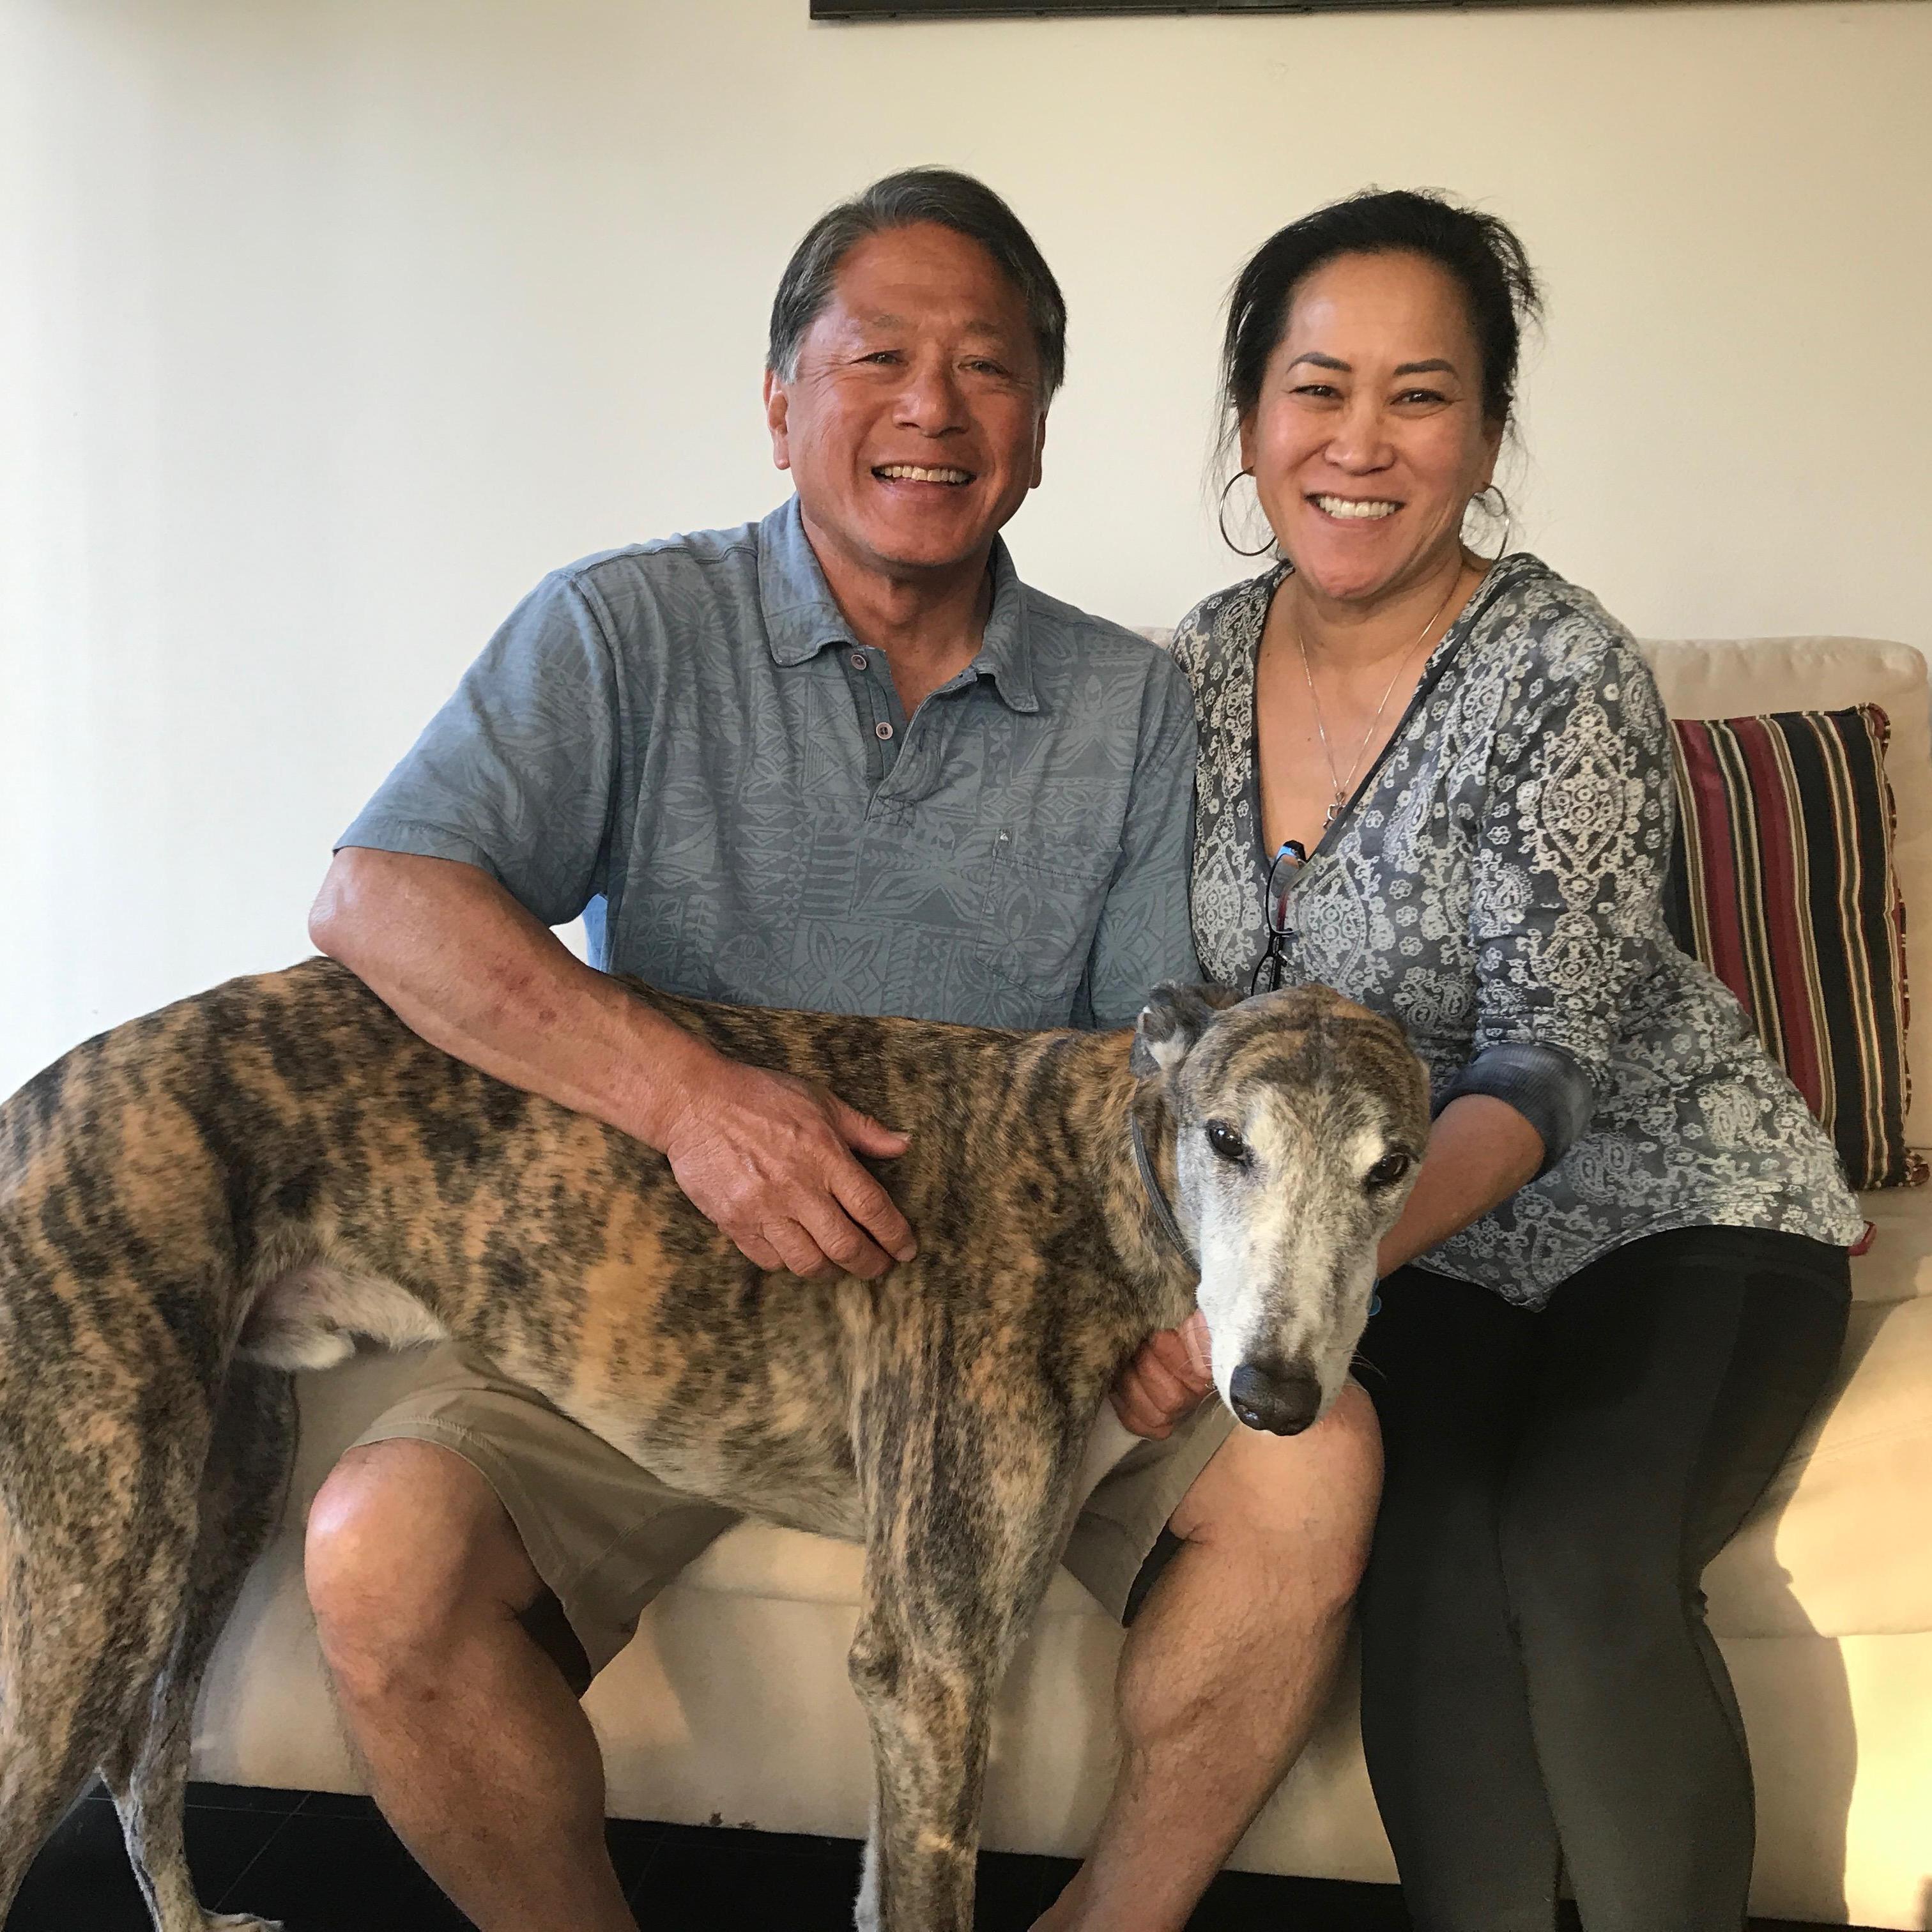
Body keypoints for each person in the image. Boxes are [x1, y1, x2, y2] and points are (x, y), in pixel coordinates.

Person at [303, 167, 1380, 1932]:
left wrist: (1179, 1317)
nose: (933, 409)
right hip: (666, 1299)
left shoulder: (1131, 705)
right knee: (378, 1551)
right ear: (779, 398)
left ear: (1039, 429)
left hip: (1017, 1322)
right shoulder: (623, 630)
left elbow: (1155, 1071)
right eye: (879, 356)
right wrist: (688, 1101)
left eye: (988, 367)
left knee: (1318, 1469)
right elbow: (380, 899)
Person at [1163, 187, 1863, 1931]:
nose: (1361, 443)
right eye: (1318, 388)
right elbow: (1172, 1025)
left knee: (1577, 1547)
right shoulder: (1195, 670)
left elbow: (1546, 1067)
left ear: (1485, 440)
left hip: (1676, 1211)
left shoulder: (1563, 672)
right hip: (1423, 1254)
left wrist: (1314, 1276)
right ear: (1249, 419)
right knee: (1425, 1566)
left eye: (1423, 395)